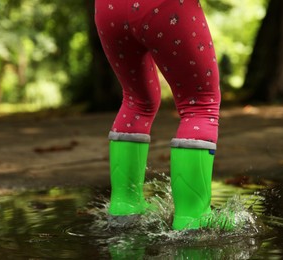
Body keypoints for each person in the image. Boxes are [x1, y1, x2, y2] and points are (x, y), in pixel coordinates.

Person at [95, 0, 226, 230]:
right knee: (200, 103)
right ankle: (193, 218)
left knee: (137, 101)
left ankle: (124, 206)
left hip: (108, 7)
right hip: (163, 6)